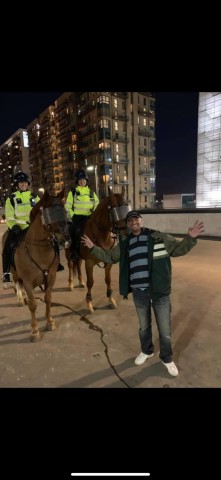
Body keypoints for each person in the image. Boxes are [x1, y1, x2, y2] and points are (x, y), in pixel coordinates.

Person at [81, 211, 205, 377]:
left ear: (141, 221)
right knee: (144, 327)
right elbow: (110, 257)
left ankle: (167, 358)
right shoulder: (125, 243)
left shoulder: (158, 237)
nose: (134, 223)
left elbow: (177, 250)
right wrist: (93, 248)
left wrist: (190, 238)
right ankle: (147, 351)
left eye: (136, 219)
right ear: (128, 224)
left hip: (159, 293)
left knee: (165, 329)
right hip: (139, 293)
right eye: (130, 221)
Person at [1, 172, 63, 284]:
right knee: (7, 248)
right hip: (18, 227)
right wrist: (14, 226)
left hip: (34, 227)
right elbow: (9, 215)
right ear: (17, 185)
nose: (23, 184)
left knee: (54, 240)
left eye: (25, 182)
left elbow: (41, 211)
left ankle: (57, 264)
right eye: (21, 183)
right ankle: (6, 273)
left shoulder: (34, 196)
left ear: (28, 184)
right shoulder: (12, 198)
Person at [65, 169, 99, 261]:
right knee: (73, 231)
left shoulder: (92, 193)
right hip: (77, 218)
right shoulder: (72, 192)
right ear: (77, 182)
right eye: (80, 180)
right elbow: (68, 206)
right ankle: (73, 251)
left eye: (83, 179)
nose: (82, 181)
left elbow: (97, 204)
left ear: (86, 181)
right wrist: (73, 215)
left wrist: (94, 214)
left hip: (90, 217)